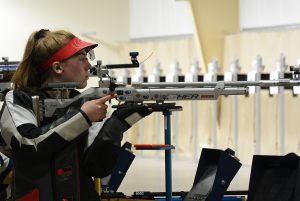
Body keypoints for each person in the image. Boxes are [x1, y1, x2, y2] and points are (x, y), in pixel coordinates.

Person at [0, 29, 151, 201]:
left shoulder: (82, 101)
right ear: (58, 67)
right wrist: (83, 116)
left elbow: (97, 167)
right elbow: (29, 144)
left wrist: (118, 122)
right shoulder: (19, 98)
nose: (88, 65)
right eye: (81, 59)